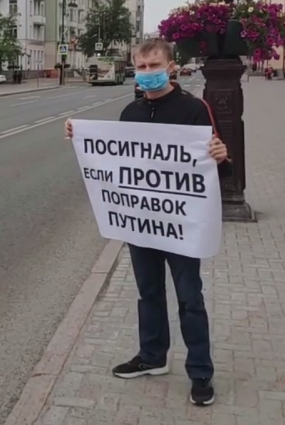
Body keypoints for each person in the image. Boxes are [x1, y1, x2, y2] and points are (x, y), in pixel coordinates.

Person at [64, 37, 232, 407]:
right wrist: (81, 138)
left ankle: (200, 371)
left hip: (181, 224)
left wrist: (221, 157)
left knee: (189, 298)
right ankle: (152, 355)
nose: (147, 73)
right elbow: (118, 163)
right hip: (141, 222)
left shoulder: (194, 109)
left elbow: (213, 169)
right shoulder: (131, 112)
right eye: (141, 67)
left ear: (171, 67)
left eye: (154, 66)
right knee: (149, 292)